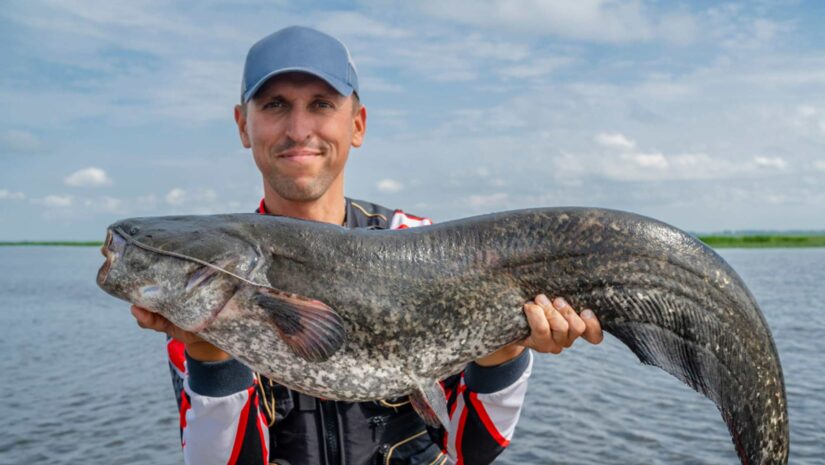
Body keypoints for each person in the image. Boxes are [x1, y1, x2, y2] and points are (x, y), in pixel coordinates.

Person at [131, 25, 603, 465]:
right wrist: (210, 354)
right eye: (275, 104)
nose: (299, 129)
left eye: (321, 104)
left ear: (357, 124)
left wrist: (504, 353)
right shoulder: (211, 278)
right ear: (242, 125)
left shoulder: (418, 243)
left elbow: (467, 450)